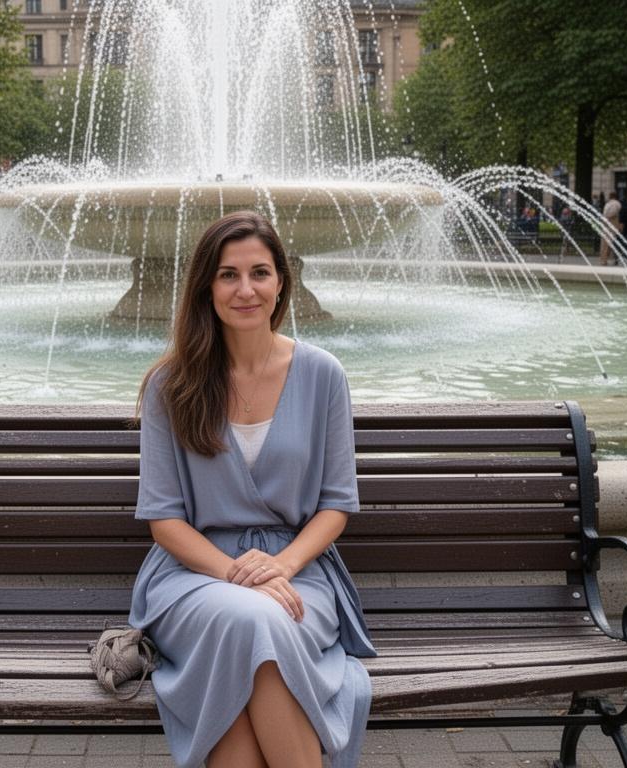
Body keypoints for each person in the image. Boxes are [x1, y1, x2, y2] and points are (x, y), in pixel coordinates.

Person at [128, 211, 375, 768]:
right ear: (205, 288)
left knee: (253, 648)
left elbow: (336, 505)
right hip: (193, 576)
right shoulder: (172, 384)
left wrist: (281, 566)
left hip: (299, 574)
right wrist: (238, 575)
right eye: (227, 275)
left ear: (281, 281)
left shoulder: (323, 374)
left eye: (259, 273)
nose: (245, 290)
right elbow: (164, 519)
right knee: (253, 620)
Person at [599, 192, 622, 266]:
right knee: (610, 243)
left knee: (605, 243)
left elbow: (607, 213)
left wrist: (605, 218)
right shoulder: (616, 204)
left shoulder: (609, 204)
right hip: (611, 225)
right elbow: (613, 213)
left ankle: (604, 259)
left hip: (607, 225)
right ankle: (608, 259)